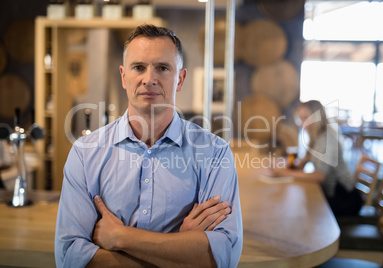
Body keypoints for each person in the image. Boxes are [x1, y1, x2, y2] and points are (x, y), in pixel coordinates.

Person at [55, 24, 243, 268]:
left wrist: (119, 237)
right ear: (124, 76)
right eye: (139, 67)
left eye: (162, 68)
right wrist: (179, 245)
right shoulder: (84, 153)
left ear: (180, 79)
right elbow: (69, 257)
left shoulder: (215, 153)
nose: (149, 79)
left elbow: (223, 256)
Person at [269, 100, 363, 217]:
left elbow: (319, 176)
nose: (302, 123)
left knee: (300, 211)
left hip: (344, 198)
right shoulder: (316, 137)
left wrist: (285, 173)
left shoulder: (327, 138)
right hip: (331, 194)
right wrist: (285, 165)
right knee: (299, 205)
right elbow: (301, 164)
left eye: (306, 118)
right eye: (300, 118)